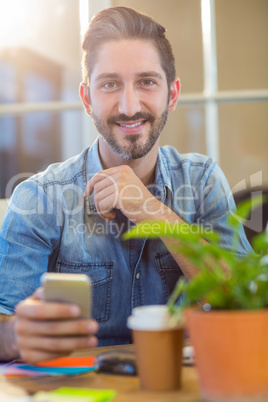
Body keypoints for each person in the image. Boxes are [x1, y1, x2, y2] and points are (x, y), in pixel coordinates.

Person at [0, 6, 251, 363]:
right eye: (110, 84)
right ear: (87, 99)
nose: (129, 105)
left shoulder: (203, 181)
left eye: (147, 82)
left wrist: (151, 210)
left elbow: (243, 301)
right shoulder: (38, 197)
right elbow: (4, 325)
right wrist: (14, 335)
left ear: (173, 94)